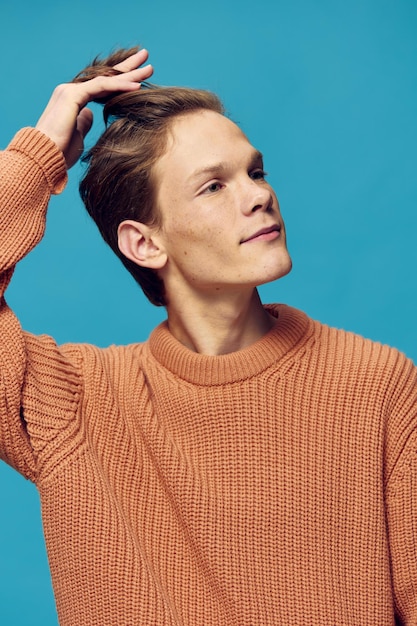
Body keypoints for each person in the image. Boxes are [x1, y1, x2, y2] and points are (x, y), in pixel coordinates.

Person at [0, 46, 416, 626]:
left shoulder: (377, 383)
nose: (259, 195)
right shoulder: (72, 404)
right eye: (214, 186)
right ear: (144, 243)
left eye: (255, 171)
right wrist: (37, 157)